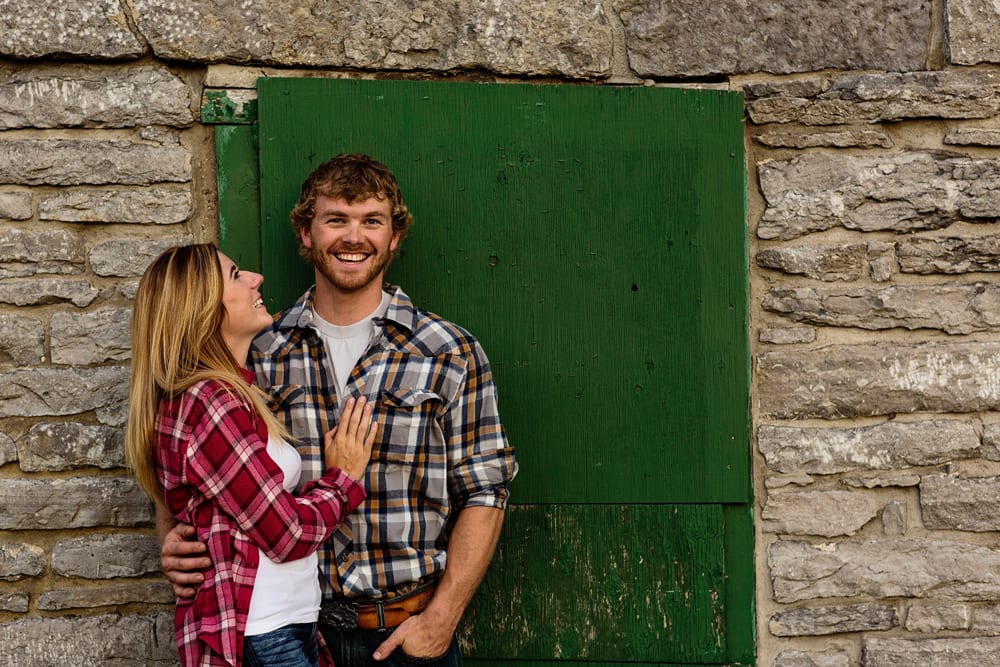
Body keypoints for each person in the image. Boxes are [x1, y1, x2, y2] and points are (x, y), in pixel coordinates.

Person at [161, 154, 518, 666]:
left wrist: (442, 618)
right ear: (305, 233)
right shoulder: (257, 351)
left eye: (372, 221)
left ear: (394, 237)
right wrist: (171, 540)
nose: (355, 237)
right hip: (291, 632)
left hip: (405, 632)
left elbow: (485, 489)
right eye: (336, 220)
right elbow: (185, 457)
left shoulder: (448, 352)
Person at [127, 243, 378, 667]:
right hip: (265, 632)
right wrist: (345, 478)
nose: (256, 279)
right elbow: (288, 535)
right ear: (202, 307)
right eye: (236, 274)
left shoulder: (232, 392)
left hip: (285, 625)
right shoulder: (210, 401)